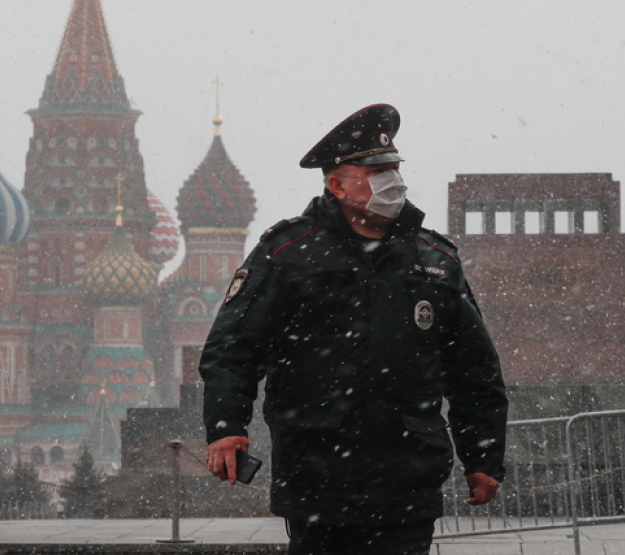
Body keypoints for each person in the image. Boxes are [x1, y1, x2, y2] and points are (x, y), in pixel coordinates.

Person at [199, 103, 508, 555]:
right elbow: (233, 347)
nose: (392, 180)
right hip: (317, 472)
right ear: (337, 185)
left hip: (408, 475)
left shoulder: (434, 259)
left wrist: (484, 459)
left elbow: (474, 371)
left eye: (393, 168)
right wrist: (226, 425)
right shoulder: (289, 254)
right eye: (376, 170)